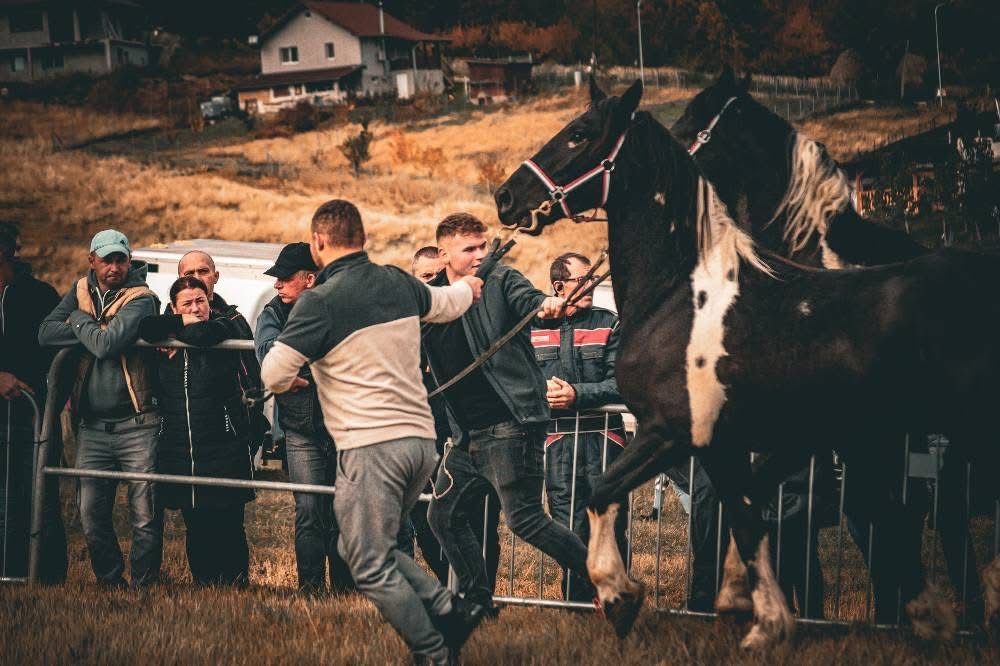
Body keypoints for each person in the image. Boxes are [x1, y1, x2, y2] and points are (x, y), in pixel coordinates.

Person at [261, 200, 488, 665]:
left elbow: (272, 373)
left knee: (367, 562)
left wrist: (302, 377)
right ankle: (448, 607)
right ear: (362, 238)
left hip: (372, 446)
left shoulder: (319, 302)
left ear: (318, 243)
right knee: (363, 545)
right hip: (420, 444)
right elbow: (448, 304)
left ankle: (434, 650)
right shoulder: (398, 281)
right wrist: (470, 286)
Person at [423, 212, 594, 612]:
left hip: (509, 428)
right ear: (444, 252)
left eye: (484, 245)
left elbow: (530, 301)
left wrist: (547, 306)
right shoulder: (431, 298)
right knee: (442, 516)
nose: (481, 254)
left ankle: (605, 578)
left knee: (526, 520)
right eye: (470, 248)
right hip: (465, 437)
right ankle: (476, 601)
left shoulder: (502, 280)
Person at [38, 229, 162, 587]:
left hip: (137, 422)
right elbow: (45, 333)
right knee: (90, 514)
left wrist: (78, 321)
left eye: (120, 259)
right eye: (106, 259)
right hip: (91, 425)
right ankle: (110, 581)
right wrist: (90, 327)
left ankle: (144, 587)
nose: (113, 267)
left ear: (129, 260)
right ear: (91, 260)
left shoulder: (142, 297)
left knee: (144, 514)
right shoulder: (80, 290)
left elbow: (107, 345)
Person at [139, 276, 255, 586]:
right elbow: (147, 328)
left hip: (223, 438)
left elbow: (206, 334)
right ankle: (204, 585)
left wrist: (178, 328)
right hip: (182, 440)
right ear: (173, 307)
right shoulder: (163, 329)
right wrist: (180, 325)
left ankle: (236, 584)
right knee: (197, 519)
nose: (196, 308)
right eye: (187, 303)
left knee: (229, 519)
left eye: (200, 301)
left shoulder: (223, 325)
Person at [254, 242, 354, 594]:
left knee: (344, 513)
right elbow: (268, 349)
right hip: (301, 431)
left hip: (343, 429)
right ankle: (310, 590)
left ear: (309, 279)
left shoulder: (341, 306)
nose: (277, 285)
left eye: (284, 278)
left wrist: (295, 365)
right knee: (309, 512)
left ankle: (345, 590)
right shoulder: (274, 311)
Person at [531, 252, 628, 600]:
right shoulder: (533, 326)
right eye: (583, 280)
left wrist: (576, 394)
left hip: (605, 438)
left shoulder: (610, 322)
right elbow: (521, 383)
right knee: (567, 527)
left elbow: (624, 384)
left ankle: (614, 601)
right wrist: (543, 395)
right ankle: (576, 604)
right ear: (559, 287)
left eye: (592, 278)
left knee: (611, 527)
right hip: (557, 442)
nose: (592, 284)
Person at [410, 246, 501, 587]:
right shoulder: (413, 322)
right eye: (426, 277)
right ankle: (452, 584)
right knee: (426, 517)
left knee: (480, 519)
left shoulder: (474, 317)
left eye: (441, 277)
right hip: (426, 433)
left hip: (471, 432)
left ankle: (481, 594)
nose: (437, 286)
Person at [0, 225, 67, 582]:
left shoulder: (39, 296)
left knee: (39, 497)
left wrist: (51, 399)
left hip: (32, 413)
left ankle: (45, 580)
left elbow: (60, 352)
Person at [174, 250, 267, 453]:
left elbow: (252, 374)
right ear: (180, 278)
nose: (197, 278)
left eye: (203, 271)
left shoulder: (234, 320)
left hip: (231, 426)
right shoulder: (165, 317)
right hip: (182, 426)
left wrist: (251, 420)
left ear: (215, 276)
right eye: (190, 273)